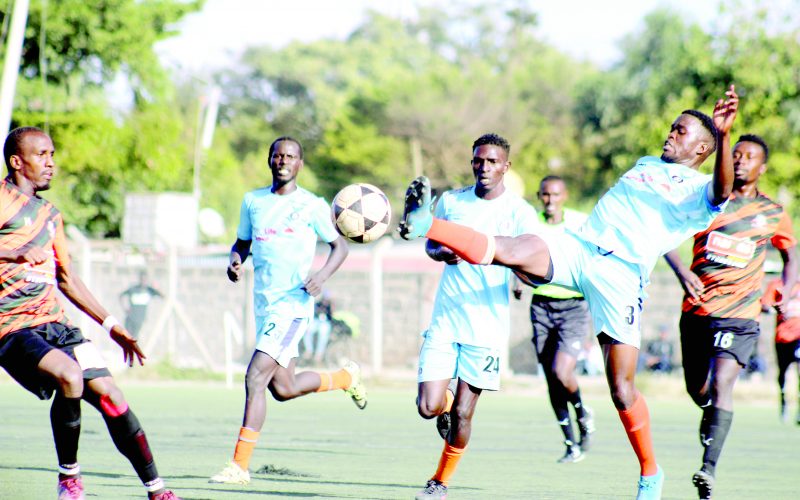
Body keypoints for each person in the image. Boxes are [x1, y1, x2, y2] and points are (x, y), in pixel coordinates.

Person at [399, 85, 741, 500]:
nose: (670, 134)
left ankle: (651, 471)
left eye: (681, 131)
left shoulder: (699, 188)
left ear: (703, 148)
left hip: (621, 276)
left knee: (621, 389)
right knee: (516, 248)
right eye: (672, 127)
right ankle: (426, 224)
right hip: (580, 249)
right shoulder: (647, 163)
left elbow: (723, 190)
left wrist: (724, 135)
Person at [0, 127, 178, 500]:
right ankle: (70, 481)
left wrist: (112, 325)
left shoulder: (50, 215)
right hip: (13, 328)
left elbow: (67, 278)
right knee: (69, 376)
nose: (51, 163)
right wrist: (12, 254)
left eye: (52, 154)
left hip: (56, 326)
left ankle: (157, 489)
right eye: (42, 155)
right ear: (17, 162)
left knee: (111, 394)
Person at [209, 136, 366, 486]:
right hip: (264, 305)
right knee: (284, 387)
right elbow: (243, 243)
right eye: (277, 155)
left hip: (293, 306)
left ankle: (239, 466)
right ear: (269, 160)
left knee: (254, 377)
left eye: (290, 156)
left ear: (300, 164)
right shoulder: (253, 201)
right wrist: (235, 260)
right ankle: (344, 378)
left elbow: (339, 247)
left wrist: (321, 276)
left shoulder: (312, 205)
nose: (283, 161)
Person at [664, 133, 797, 499]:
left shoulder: (772, 213)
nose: (739, 160)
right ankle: (711, 414)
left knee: (724, 383)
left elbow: (792, 253)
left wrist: (786, 288)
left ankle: (708, 469)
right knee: (700, 391)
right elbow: (662, 239)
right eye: (735, 154)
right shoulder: (706, 203)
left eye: (748, 156)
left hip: (740, 315)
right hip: (697, 311)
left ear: (762, 167)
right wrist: (682, 272)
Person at [413, 133, 539, 500]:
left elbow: (530, 255)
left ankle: (439, 483)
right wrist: (441, 253)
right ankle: (445, 406)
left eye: (492, 161)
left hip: (486, 325)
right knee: (428, 407)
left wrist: (518, 277)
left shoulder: (519, 212)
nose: (484, 167)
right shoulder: (452, 201)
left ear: (506, 166)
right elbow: (431, 241)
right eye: (478, 161)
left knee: (465, 415)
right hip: (446, 318)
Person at [512, 175, 595, 463]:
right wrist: (518, 279)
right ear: (539, 196)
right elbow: (517, 254)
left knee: (563, 371)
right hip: (541, 307)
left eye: (556, 195)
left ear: (565, 195)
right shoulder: (530, 224)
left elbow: (596, 254)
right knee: (550, 378)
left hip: (574, 307)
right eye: (545, 195)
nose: (550, 201)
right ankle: (571, 443)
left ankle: (583, 412)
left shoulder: (580, 222)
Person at [762, 277, 800, 423]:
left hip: (798, 335)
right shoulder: (777, 285)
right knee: (782, 372)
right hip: (782, 337)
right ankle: (783, 402)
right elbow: (765, 304)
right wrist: (774, 309)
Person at [119, 270, 163, 340]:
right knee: (128, 337)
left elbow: (162, 296)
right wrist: (125, 308)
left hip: (141, 320)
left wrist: (157, 288)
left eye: (145, 279)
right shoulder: (133, 289)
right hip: (131, 318)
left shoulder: (149, 290)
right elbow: (121, 296)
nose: (143, 281)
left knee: (136, 338)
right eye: (142, 279)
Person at [302, 291, 333, 364]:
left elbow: (331, 317)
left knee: (323, 333)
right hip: (316, 321)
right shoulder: (318, 304)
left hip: (325, 322)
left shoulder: (330, 306)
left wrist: (329, 308)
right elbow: (313, 313)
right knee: (308, 331)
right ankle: (309, 350)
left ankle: (319, 354)